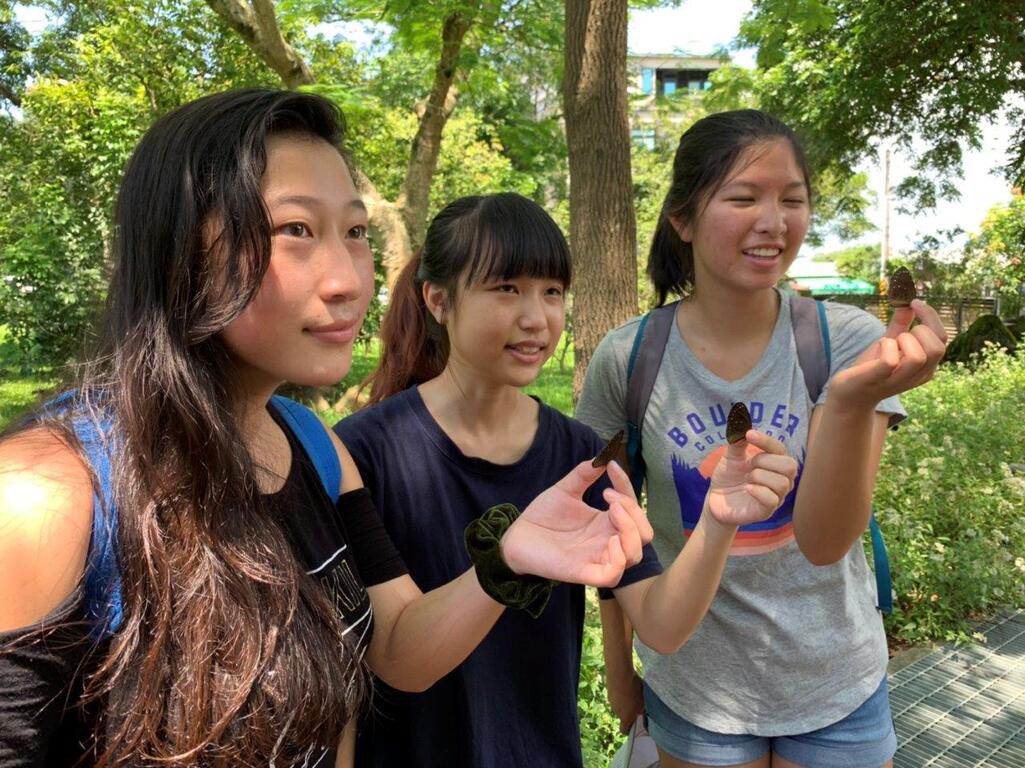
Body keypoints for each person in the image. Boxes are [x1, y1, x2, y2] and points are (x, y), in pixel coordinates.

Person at [0, 89, 652, 768]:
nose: (347, 280)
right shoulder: (47, 496)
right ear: (182, 250)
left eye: (355, 232)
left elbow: (398, 649)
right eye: (296, 231)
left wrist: (506, 560)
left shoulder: (314, 447)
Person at [333, 192, 799, 767]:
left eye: (552, 292)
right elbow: (362, 660)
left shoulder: (582, 457)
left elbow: (662, 625)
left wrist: (718, 522)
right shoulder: (362, 452)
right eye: (507, 288)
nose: (537, 317)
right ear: (438, 300)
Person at [576, 109, 948, 768]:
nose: (772, 220)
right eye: (743, 197)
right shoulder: (627, 358)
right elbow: (612, 532)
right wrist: (618, 669)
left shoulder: (849, 345)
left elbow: (828, 539)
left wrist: (844, 402)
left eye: (791, 199)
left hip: (836, 684)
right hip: (693, 689)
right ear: (682, 220)